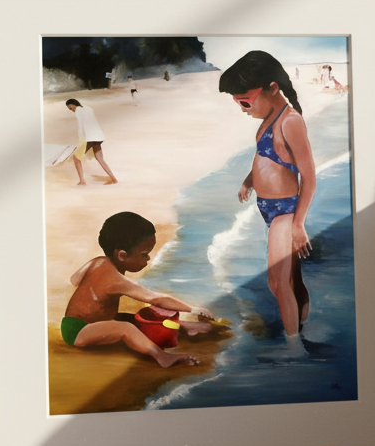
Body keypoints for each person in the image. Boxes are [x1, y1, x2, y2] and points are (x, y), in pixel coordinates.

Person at [219, 51, 316, 343]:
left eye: (245, 101)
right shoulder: (269, 119)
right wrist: (249, 181)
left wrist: (298, 225)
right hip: (270, 208)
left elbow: (309, 178)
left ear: (272, 88)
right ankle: (302, 327)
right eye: (237, 103)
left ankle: (293, 347)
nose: (242, 108)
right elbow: (263, 155)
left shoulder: (290, 122)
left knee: (277, 281)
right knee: (293, 278)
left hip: (285, 211)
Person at [61, 211, 213, 368]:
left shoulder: (98, 261)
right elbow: (156, 299)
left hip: (93, 321)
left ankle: (183, 326)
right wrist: (192, 309)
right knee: (125, 327)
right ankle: (161, 356)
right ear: (122, 255)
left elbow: (74, 279)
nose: (148, 259)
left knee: (137, 319)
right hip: (78, 331)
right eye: (144, 254)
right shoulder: (116, 280)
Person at [65, 99, 118, 185]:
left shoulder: (78, 111)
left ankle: (82, 181)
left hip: (90, 138)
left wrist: (82, 141)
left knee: (76, 158)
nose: (72, 110)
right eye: (70, 109)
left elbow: (82, 126)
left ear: (74, 104)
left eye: (71, 108)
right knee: (100, 159)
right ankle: (114, 179)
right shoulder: (88, 108)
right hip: (99, 136)